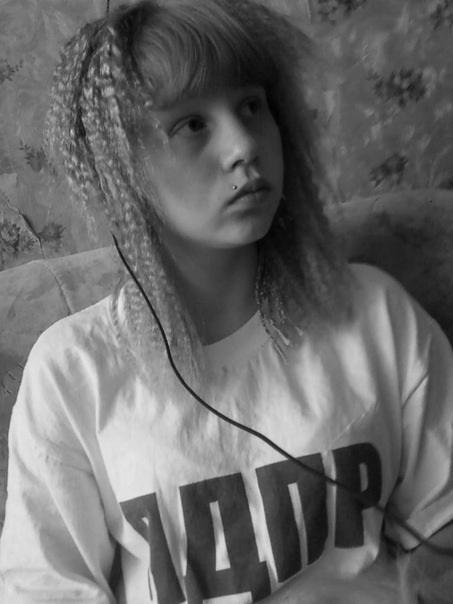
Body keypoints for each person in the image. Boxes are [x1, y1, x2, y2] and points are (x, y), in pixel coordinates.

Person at [0, 0, 453, 602]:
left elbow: (442, 534)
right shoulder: (71, 372)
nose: (244, 145)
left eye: (251, 106)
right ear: (119, 167)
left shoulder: (376, 315)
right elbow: (45, 588)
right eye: (191, 124)